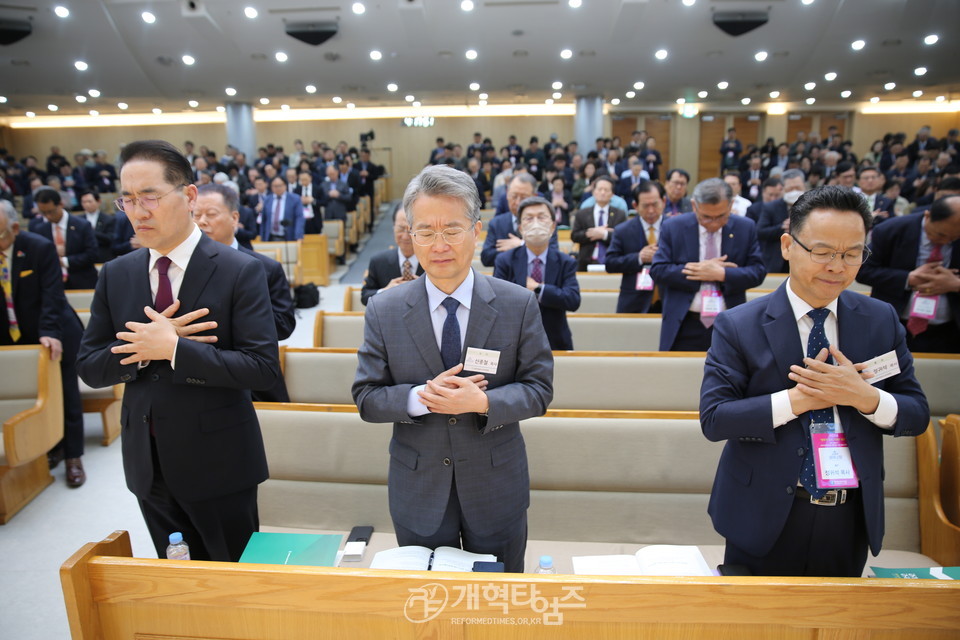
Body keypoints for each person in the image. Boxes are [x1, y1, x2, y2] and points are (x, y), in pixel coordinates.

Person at [700, 185, 929, 577]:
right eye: (822, 252)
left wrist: (865, 397)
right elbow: (716, 419)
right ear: (788, 245)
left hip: (849, 514)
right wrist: (798, 400)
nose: (837, 267)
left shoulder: (881, 319)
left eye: (852, 253)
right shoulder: (739, 325)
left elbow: (917, 413)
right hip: (761, 512)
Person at [77, 139, 280, 562]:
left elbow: (262, 369)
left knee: (233, 580)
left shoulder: (239, 270)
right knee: (178, 584)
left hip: (219, 463)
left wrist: (175, 349)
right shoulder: (116, 274)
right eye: (128, 199)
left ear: (188, 195)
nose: (139, 210)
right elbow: (90, 368)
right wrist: (142, 347)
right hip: (146, 463)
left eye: (150, 196)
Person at [352, 165, 553, 573]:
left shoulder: (517, 304)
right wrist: (420, 398)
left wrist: (483, 402)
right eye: (425, 231)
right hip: (419, 489)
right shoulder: (384, 308)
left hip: (496, 487)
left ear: (476, 230)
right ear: (410, 234)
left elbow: (538, 389)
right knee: (430, 607)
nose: (438, 244)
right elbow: (366, 397)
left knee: (498, 603)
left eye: (452, 230)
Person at [0, 199, 87, 487]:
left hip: (55, 329)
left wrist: (50, 332)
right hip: (15, 332)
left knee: (64, 391)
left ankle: (73, 456)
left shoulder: (37, 246)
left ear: (14, 227)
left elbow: (52, 294)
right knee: (34, 393)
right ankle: (48, 447)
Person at [194, 183, 295, 400]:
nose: (202, 222)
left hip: (254, 378)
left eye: (211, 214)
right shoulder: (181, 269)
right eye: (195, 215)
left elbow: (284, 325)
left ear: (234, 218)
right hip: (201, 380)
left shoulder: (265, 268)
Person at [650, 178, 765, 351]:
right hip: (685, 322)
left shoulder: (745, 227)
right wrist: (700, 270)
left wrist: (721, 274)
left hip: (730, 323)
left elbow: (758, 271)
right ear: (694, 206)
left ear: (730, 205)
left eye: (721, 216)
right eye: (706, 217)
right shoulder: (674, 227)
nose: (714, 223)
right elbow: (658, 270)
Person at [857, 195, 960, 353]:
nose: (946, 241)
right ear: (928, 215)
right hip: (896, 324)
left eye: (953, 238)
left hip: (949, 328)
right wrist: (908, 279)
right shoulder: (890, 230)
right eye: (940, 235)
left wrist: (956, 284)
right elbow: (863, 270)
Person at [494, 196, 581, 350]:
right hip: (514, 341)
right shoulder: (504, 261)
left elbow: (573, 300)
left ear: (553, 226)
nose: (535, 223)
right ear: (520, 228)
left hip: (555, 340)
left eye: (541, 217)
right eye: (528, 218)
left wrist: (539, 288)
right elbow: (497, 302)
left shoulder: (566, 262)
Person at [605, 180, 666, 314]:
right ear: (635, 206)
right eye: (645, 206)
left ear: (664, 202)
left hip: (668, 301)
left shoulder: (675, 228)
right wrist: (639, 258)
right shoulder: (623, 230)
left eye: (655, 204)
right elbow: (610, 263)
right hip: (633, 302)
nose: (651, 211)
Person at [480, 173, 557, 267]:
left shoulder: (545, 222)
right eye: (514, 196)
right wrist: (514, 251)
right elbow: (486, 258)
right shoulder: (497, 223)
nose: (517, 202)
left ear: (535, 196)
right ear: (507, 193)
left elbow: (554, 255)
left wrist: (522, 244)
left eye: (523, 198)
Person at [32, 187, 100, 289]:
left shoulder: (82, 225)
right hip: (54, 284)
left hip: (82, 281)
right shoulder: (40, 229)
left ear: (61, 204)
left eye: (51, 212)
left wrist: (64, 261)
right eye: (43, 213)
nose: (47, 217)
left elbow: (92, 254)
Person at [360, 206, 424, 306]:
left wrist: (426, 290)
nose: (406, 236)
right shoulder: (378, 261)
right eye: (401, 229)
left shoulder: (434, 261)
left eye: (411, 230)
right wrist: (385, 292)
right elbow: (365, 297)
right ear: (393, 228)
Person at [570, 176, 626, 271]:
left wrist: (604, 234)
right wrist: (590, 233)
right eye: (600, 189)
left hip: (612, 261)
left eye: (606, 190)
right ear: (594, 192)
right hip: (587, 261)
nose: (603, 193)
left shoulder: (619, 214)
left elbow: (624, 237)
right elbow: (574, 236)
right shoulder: (582, 213)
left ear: (612, 194)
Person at [260, 176, 304, 241]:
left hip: (289, 237)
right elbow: (264, 220)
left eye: (280, 185)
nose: (278, 188)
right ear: (271, 187)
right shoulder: (267, 199)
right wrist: (262, 237)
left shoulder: (295, 199)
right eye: (275, 186)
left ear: (285, 185)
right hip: (271, 237)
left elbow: (299, 218)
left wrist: (299, 236)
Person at [79, 190, 116, 264]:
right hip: (84, 257)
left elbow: (110, 238)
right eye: (84, 202)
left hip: (103, 256)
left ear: (98, 201)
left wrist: (91, 231)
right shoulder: (79, 220)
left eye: (89, 201)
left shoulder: (108, 219)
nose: (87, 204)